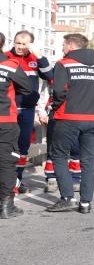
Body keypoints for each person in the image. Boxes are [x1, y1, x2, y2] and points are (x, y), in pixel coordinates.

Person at [45, 34, 94, 214]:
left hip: (68, 118)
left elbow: (59, 91)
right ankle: (85, 203)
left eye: (63, 44)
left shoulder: (64, 64)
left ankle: (67, 198)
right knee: (88, 161)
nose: (62, 48)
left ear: (71, 46)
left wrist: (55, 108)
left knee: (59, 155)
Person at [4, 31, 54, 193]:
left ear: (31, 44)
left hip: (26, 110)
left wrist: (40, 56)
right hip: (7, 110)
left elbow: (49, 75)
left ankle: (17, 181)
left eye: (24, 44)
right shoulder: (4, 57)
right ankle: (7, 183)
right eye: (17, 43)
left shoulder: (35, 59)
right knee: (5, 148)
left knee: (22, 147)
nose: (20, 47)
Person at [0, 32, 33, 219]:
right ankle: (6, 206)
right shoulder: (9, 65)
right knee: (5, 163)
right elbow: (27, 88)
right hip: (4, 120)